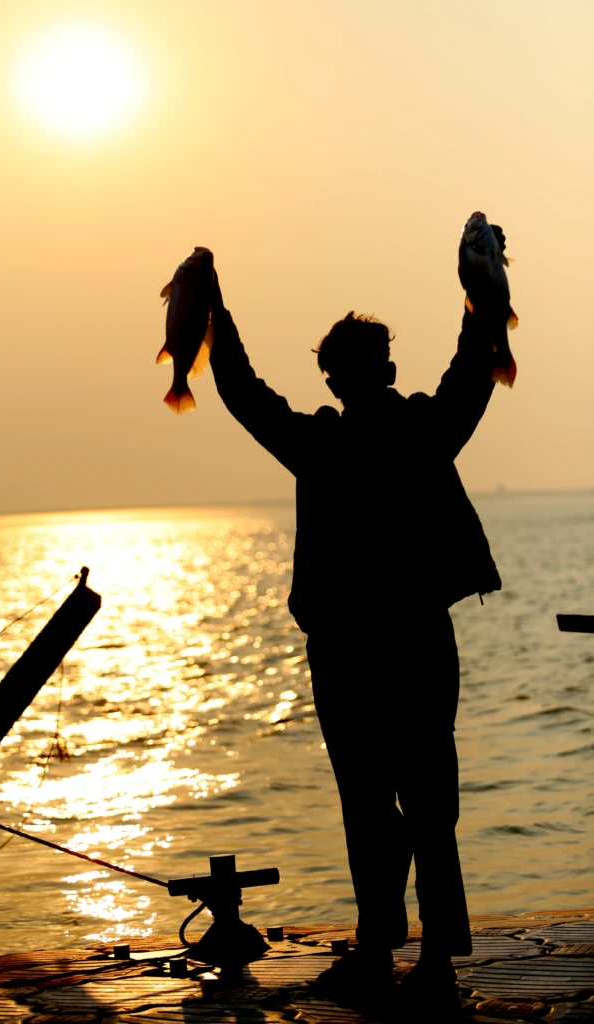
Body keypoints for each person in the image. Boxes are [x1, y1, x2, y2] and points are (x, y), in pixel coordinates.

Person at [208, 237, 504, 1013]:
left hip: (348, 653)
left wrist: (215, 310)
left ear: (333, 379)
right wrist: (479, 298)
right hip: (412, 644)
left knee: (370, 804)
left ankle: (382, 946)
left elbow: (240, 391)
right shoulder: (424, 430)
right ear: (387, 373)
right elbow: (473, 372)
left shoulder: (318, 444)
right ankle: (430, 955)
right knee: (427, 804)